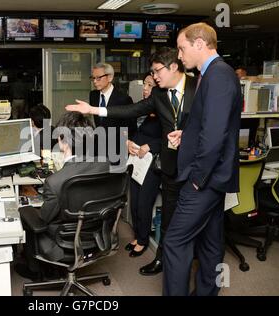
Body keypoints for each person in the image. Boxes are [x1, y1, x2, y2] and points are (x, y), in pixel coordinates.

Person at [66, 47, 198, 276]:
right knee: (167, 218)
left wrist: (187, 135)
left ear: (174, 67)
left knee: (198, 224)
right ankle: (163, 259)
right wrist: (94, 110)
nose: (153, 79)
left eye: (157, 72)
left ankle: (193, 260)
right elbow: (131, 110)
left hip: (197, 169)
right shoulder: (159, 95)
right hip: (169, 167)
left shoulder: (200, 87)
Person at [163, 22, 241, 296]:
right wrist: (187, 134)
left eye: (182, 49)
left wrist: (197, 179)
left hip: (204, 180)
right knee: (209, 243)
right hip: (215, 178)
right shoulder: (213, 74)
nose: (179, 56)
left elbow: (215, 134)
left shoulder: (218, 75)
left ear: (199, 44)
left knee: (174, 242)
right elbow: (210, 126)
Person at [15, 112, 110, 280]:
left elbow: (44, 218)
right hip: (97, 235)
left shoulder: (54, 181)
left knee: (27, 214)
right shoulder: (106, 165)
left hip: (62, 242)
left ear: (62, 142)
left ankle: (36, 270)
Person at [126, 73, 162, 257]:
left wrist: (151, 146)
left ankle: (143, 240)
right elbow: (135, 131)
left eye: (149, 85)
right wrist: (129, 142)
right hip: (137, 161)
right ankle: (138, 235)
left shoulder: (165, 110)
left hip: (152, 163)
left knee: (144, 204)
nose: (145, 88)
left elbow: (172, 138)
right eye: (145, 84)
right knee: (134, 203)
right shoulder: (144, 108)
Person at [89, 63, 136, 162]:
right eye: (93, 78)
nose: (94, 81)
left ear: (110, 77)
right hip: (97, 149)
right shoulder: (93, 95)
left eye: (98, 78)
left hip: (117, 149)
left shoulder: (124, 99)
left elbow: (130, 128)